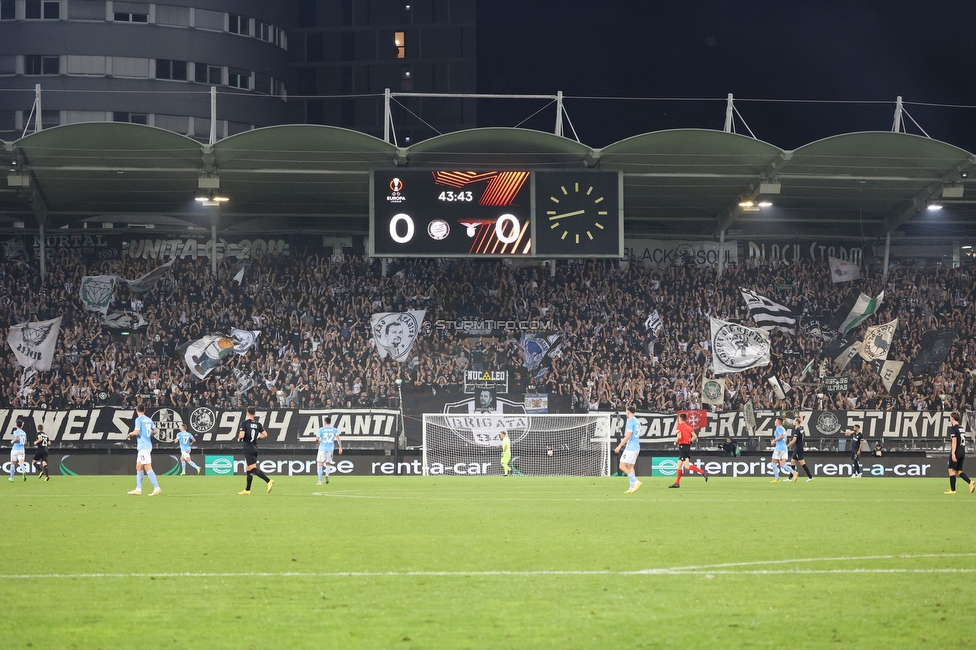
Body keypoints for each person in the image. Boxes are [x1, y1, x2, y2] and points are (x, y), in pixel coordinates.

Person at [125, 404, 162, 496]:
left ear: (136, 410)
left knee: (147, 467)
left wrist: (130, 434)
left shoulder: (138, 419)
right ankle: (138, 489)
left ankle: (157, 487)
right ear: (144, 410)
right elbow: (156, 430)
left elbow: (137, 432)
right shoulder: (149, 419)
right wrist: (149, 434)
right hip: (146, 445)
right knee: (138, 466)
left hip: (144, 447)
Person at [238, 406, 273, 495]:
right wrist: (257, 438)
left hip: (248, 447)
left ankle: (268, 481)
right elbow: (265, 434)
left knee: (252, 468)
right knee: (248, 469)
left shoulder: (244, 423)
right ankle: (247, 490)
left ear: (247, 413)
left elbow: (242, 436)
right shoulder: (258, 424)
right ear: (255, 413)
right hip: (255, 447)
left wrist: (239, 439)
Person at [670, 412, 708, 488]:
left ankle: (703, 472)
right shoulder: (689, 427)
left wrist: (675, 442)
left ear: (680, 419)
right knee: (679, 465)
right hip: (687, 446)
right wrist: (690, 442)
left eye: (678, 418)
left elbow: (679, 437)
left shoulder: (679, 427)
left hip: (682, 447)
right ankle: (677, 483)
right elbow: (695, 437)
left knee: (687, 466)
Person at [613, 406, 642, 493]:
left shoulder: (631, 421)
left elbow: (629, 435)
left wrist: (620, 446)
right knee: (630, 467)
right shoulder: (637, 421)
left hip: (631, 448)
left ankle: (636, 481)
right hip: (636, 447)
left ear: (628, 412)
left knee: (622, 466)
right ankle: (632, 487)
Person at [945, 411, 973, 495]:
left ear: (952, 418)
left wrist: (953, 453)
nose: (950, 419)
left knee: (951, 470)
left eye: (950, 417)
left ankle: (953, 490)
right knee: (958, 471)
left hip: (956, 451)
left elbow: (954, 441)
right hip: (962, 451)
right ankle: (970, 482)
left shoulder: (954, 428)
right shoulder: (961, 428)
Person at [315, 415, 342, 485]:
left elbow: (317, 439)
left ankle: (320, 481)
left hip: (322, 448)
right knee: (328, 464)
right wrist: (340, 447)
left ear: (325, 422)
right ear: (330, 422)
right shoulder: (334, 430)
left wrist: (317, 442)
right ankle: (327, 474)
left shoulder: (321, 429)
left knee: (320, 464)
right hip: (330, 449)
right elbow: (338, 438)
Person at [788, 415, 814, 482]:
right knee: (792, 461)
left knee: (802, 463)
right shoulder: (801, 428)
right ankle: (790, 477)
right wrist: (801, 417)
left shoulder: (797, 430)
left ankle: (810, 477)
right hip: (798, 447)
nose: (793, 422)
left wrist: (787, 446)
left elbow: (794, 440)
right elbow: (801, 423)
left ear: (796, 422)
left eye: (794, 421)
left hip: (798, 448)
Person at [769, 417, 795, 483]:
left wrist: (775, 440)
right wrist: (775, 441)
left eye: (775, 421)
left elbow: (782, 436)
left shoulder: (779, 428)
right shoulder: (783, 429)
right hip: (783, 448)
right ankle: (794, 472)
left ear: (778, 422)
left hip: (779, 449)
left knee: (774, 463)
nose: (774, 422)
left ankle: (777, 478)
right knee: (782, 464)